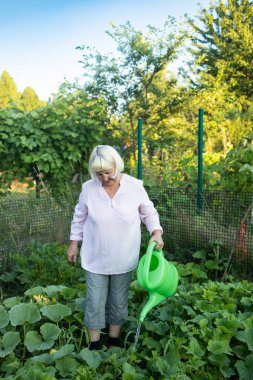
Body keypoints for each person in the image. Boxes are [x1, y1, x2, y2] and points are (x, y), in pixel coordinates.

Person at [67, 145, 163, 350]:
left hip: (124, 256)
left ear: (117, 166)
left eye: (108, 172)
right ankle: (94, 345)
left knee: (118, 301)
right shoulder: (88, 188)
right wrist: (74, 244)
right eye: (99, 173)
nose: (104, 178)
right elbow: (79, 217)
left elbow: (149, 212)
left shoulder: (135, 186)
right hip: (95, 257)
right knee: (95, 301)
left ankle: (113, 342)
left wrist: (156, 232)